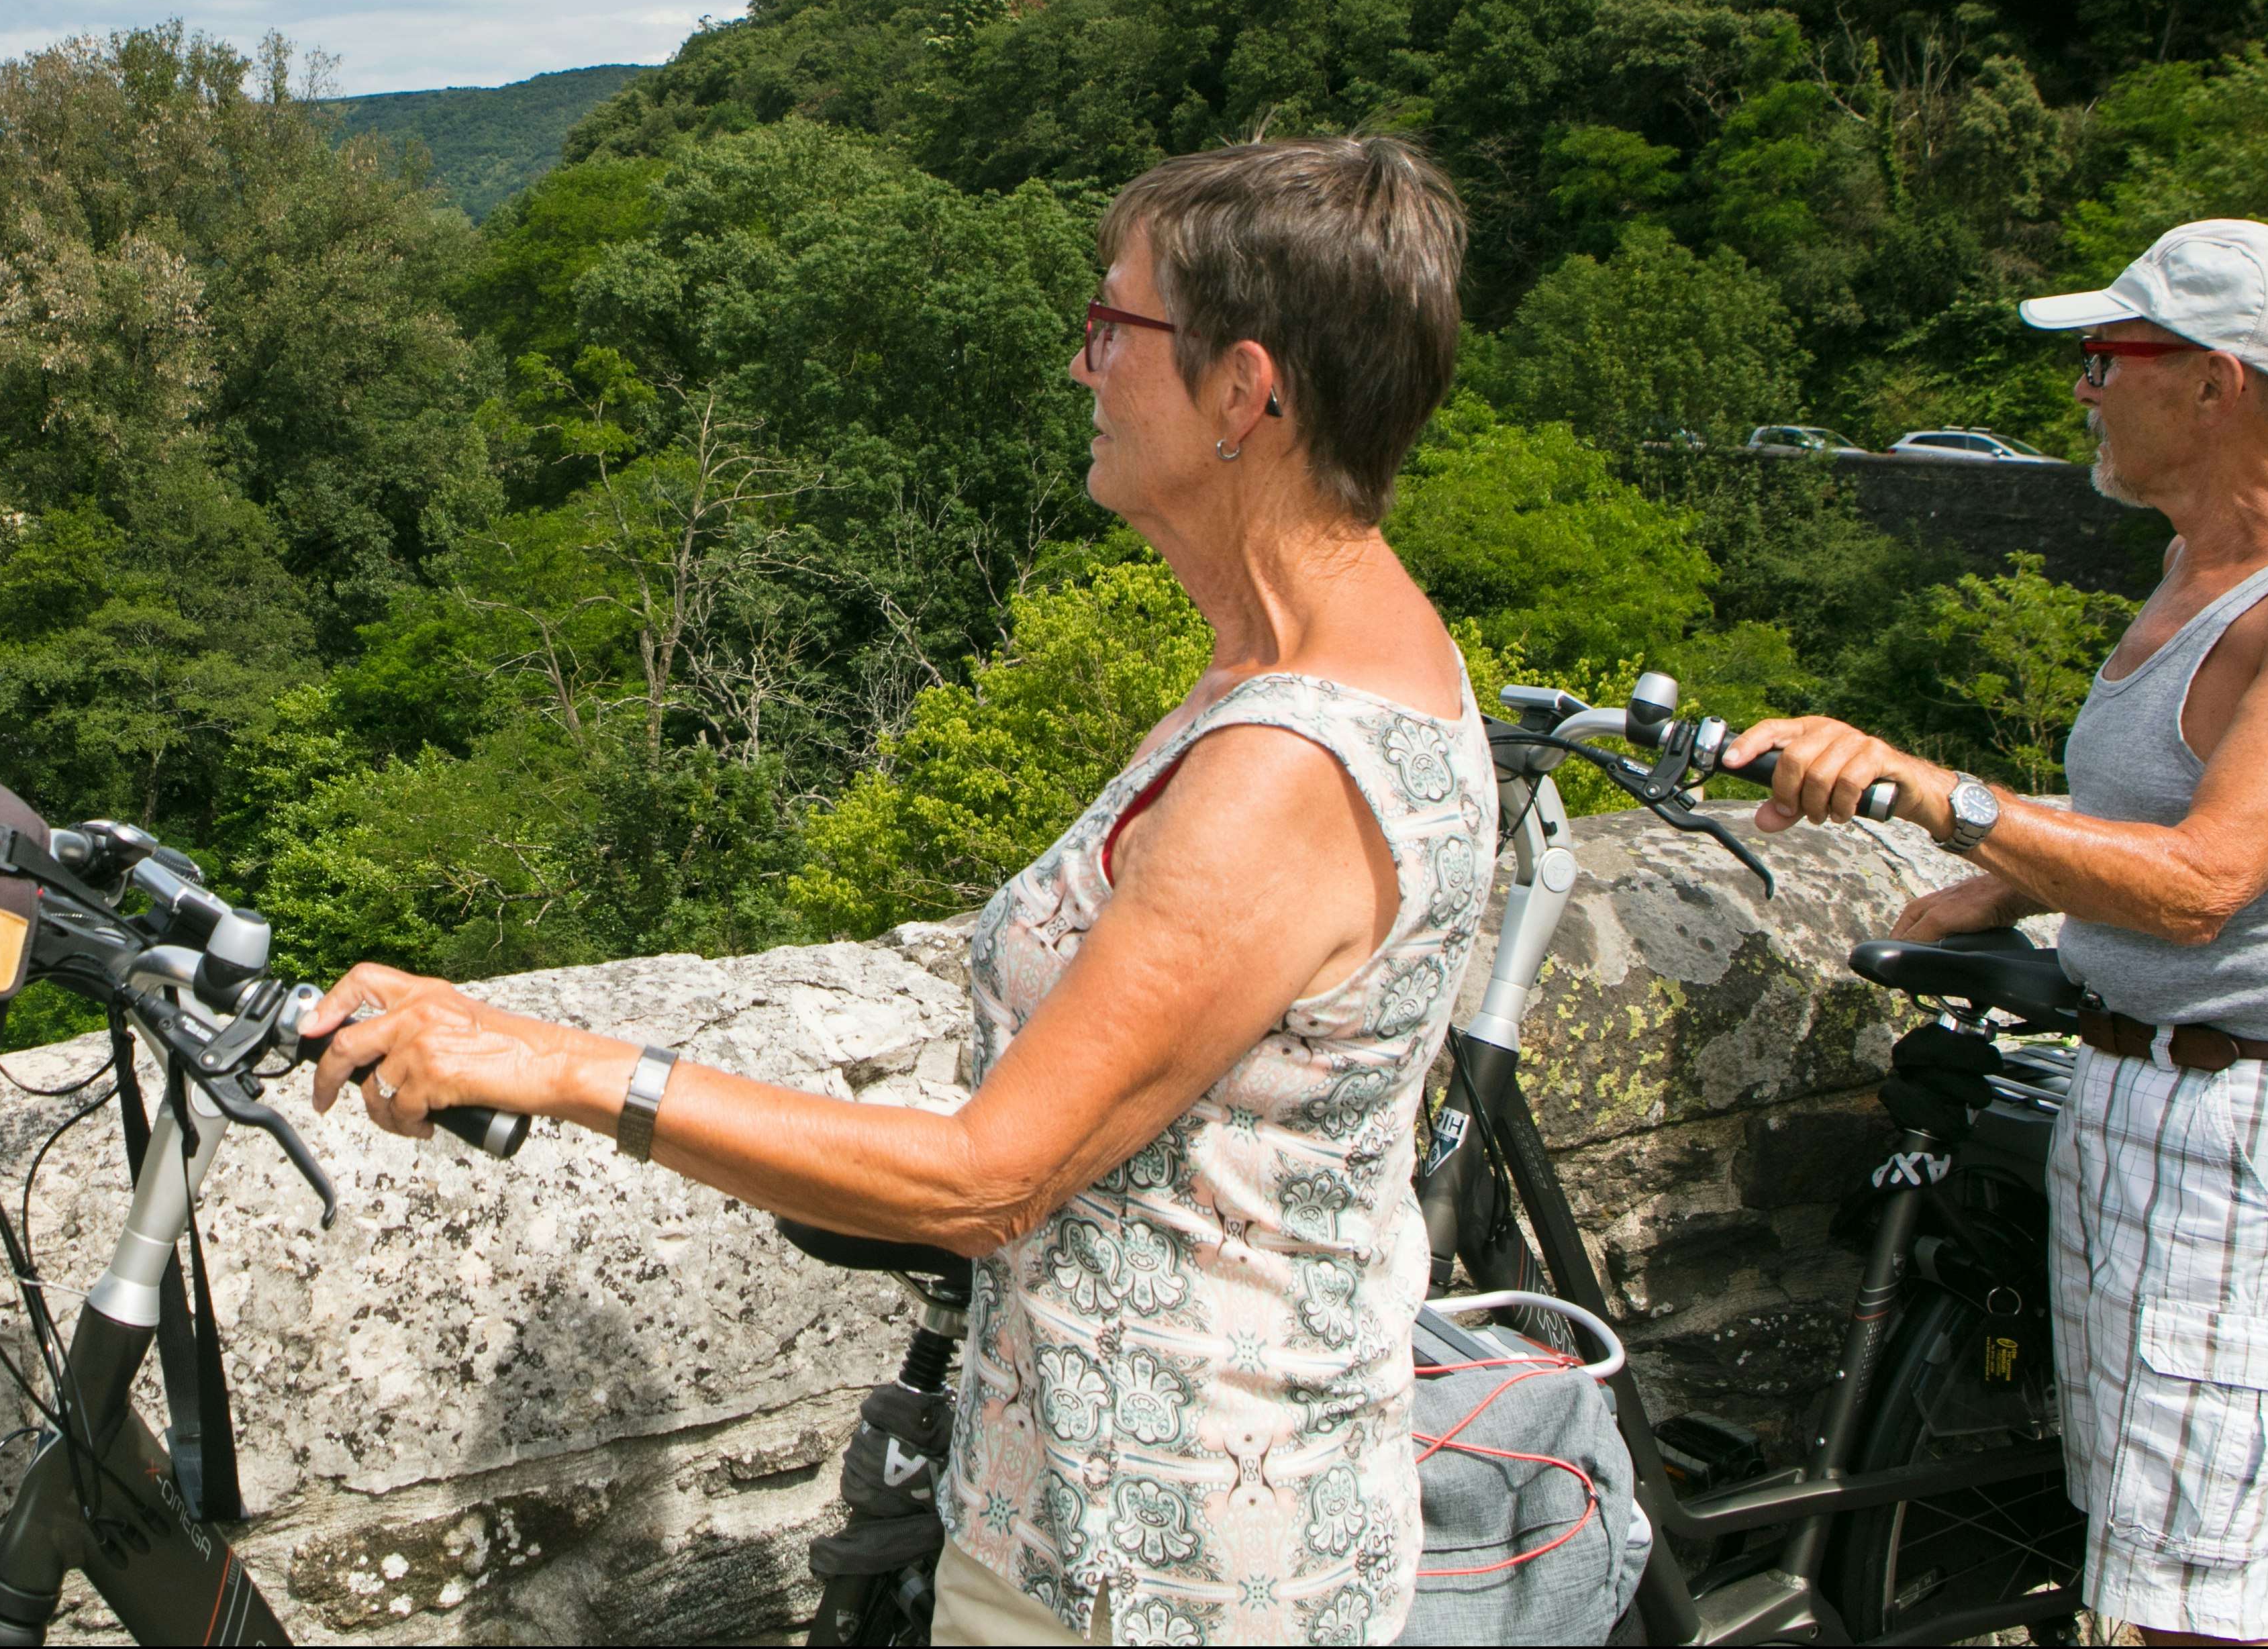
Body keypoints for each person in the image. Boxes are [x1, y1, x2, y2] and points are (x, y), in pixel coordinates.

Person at [307, 138, 1495, 1647]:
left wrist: (557, 1064)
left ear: (1242, 390)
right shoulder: (1314, 661)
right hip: (1130, 1516)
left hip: (1157, 1571)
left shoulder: (1289, 770)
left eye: (1110, 329)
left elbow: (987, 1178)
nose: (1080, 366)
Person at [1727, 219, 2268, 1649]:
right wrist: (2014, 881)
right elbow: (2188, 807)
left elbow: (2206, 878)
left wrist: (1940, 799)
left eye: (2107, 354)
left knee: (2210, 1610)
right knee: (2169, 1563)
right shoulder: (2196, 574)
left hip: (2256, 1121)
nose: (2080, 386)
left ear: (2215, 385)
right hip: (2156, 1095)